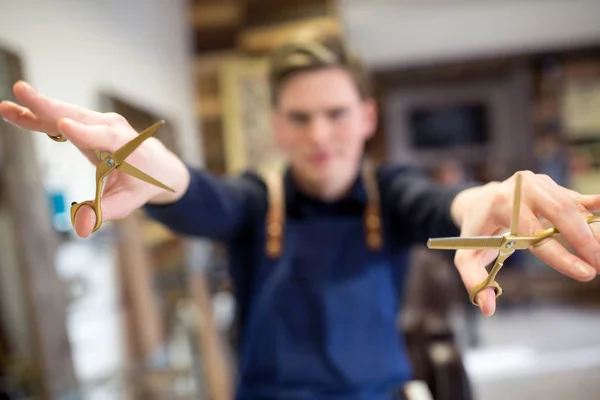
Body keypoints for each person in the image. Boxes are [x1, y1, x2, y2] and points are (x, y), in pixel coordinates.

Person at [2, 35, 600, 400]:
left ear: (366, 118)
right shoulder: (257, 201)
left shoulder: (390, 193)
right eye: (301, 117)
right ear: (279, 124)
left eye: (336, 114)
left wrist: (484, 202)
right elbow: (207, 199)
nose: (320, 135)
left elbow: (439, 206)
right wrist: (166, 174)